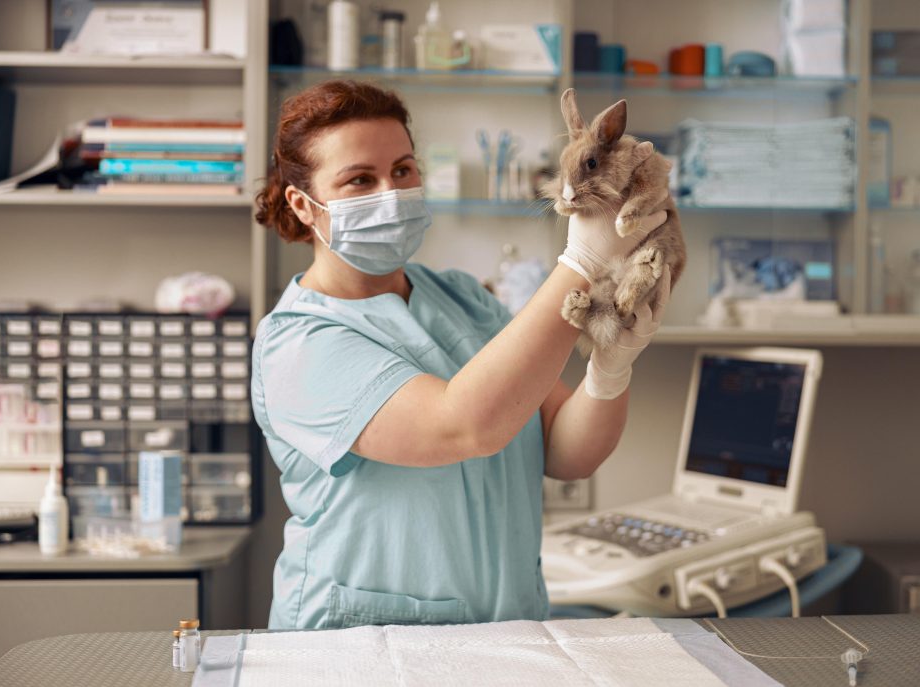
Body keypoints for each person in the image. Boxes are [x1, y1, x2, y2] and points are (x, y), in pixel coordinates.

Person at [252, 80, 673, 630]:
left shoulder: (462, 297)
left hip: (506, 629)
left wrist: (609, 371)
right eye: (360, 179)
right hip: (358, 645)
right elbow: (465, 427)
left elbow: (567, 453)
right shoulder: (299, 344)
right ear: (304, 206)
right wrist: (583, 259)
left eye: (403, 169)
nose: (391, 190)